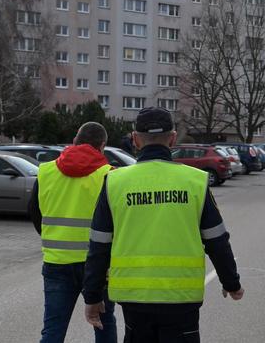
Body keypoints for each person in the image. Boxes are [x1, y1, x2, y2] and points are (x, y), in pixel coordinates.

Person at [83, 107, 243, 342]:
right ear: (173, 138)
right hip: (181, 298)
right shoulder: (195, 181)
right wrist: (231, 282)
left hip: (134, 298)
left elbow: (99, 246)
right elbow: (217, 239)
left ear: (135, 139)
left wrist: (92, 296)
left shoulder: (114, 181)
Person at [29, 122, 117, 343]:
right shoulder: (109, 176)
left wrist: (55, 237)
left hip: (57, 262)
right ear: (102, 146)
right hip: (99, 264)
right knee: (104, 324)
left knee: (53, 328)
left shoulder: (46, 171)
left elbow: (34, 213)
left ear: (75, 140)